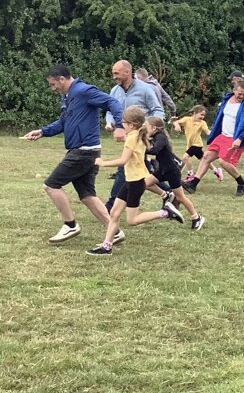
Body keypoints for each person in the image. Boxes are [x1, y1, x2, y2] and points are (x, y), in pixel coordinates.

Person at [22, 65, 126, 244]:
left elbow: (112, 102)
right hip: (85, 151)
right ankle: (114, 231)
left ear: (62, 79)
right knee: (87, 195)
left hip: (84, 151)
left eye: (53, 84)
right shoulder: (67, 96)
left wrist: (120, 125)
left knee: (51, 185)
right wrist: (43, 131)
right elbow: (64, 121)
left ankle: (70, 225)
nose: (53, 88)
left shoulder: (83, 91)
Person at [87, 107, 184, 256]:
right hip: (131, 180)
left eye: (123, 122)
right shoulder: (138, 133)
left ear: (131, 124)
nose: (121, 124)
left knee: (132, 220)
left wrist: (102, 162)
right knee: (114, 213)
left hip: (136, 182)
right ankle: (107, 246)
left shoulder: (133, 137)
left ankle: (165, 212)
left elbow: (123, 160)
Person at [104, 60, 165, 210]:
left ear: (127, 72)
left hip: (141, 136)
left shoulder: (145, 89)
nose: (114, 76)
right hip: (128, 136)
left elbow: (158, 110)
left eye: (116, 73)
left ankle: (111, 204)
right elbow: (110, 110)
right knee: (140, 170)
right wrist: (110, 123)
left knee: (125, 168)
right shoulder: (114, 91)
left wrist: (149, 129)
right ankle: (169, 192)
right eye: (113, 73)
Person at [182, 81, 244, 196]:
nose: (242, 96)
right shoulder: (226, 100)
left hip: (235, 138)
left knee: (223, 161)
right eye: (240, 94)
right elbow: (220, 117)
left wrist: (240, 139)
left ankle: (243, 183)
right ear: (234, 90)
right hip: (223, 136)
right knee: (206, 156)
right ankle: (193, 185)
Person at [144, 117, 205, 231]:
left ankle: (196, 217)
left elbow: (155, 150)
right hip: (162, 170)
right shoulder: (155, 136)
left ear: (154, 128)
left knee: (180, 197)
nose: (145, 129)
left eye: (146, 127)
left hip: (171, 171)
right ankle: (166, 195)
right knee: (145, 184)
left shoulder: (160, 137)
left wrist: (141, 149)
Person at [173, 105, 223, 181]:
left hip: (197, 145)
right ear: (194, 113)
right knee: (204, 160)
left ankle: (190, 174)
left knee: (185, 157)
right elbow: (176, 122)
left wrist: (216, 135)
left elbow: (208, 132)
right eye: (201, 114)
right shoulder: (186, 119)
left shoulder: (202, 123)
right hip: (190, 145)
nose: (202, 117)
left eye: (204, 115)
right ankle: (216, 170)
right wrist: (176, 125)